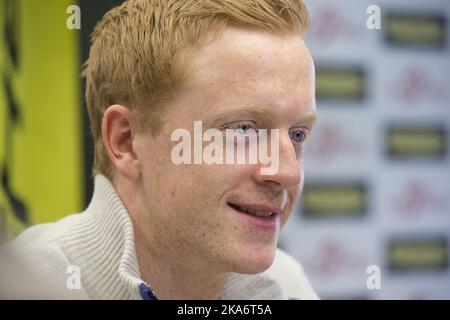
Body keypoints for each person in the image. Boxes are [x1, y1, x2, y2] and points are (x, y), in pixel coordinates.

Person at [4, 0, 318, 299]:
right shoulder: (28, 288)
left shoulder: (286, 284)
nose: (288, 172)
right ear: (126, 142)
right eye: (242, 130)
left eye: (298, 134)